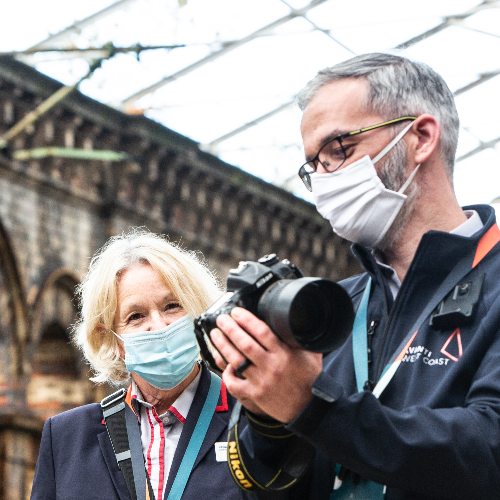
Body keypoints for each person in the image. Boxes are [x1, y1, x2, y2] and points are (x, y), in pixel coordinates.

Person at [209, 53, 500, 499]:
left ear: (420, 137)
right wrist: (270, 419)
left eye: (338, 151)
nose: (324, 179)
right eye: (313, 166)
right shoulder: (331, 310)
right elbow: (269, 491)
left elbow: (486, 449)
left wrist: (311, 409)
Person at [31, 230, 245, 500]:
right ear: (112, 340)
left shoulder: (252, 422)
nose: (158, 325)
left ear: (198, 312)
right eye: (136, 316)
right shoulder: (67, 438)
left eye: (172, 306)